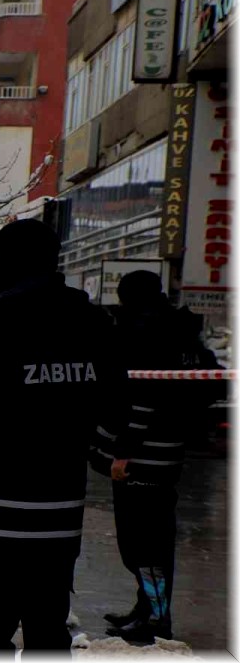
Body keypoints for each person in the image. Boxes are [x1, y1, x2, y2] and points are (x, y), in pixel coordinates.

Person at [0, 219, 127, 656]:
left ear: (2, 262)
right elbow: (113, 413)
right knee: (49, 639)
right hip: (58, 529)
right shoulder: (95, 325)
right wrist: (99, 452)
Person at [90, 270, 221, 644]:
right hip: (169, 451)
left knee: (143, 543)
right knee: (149, 540)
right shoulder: (180, 330)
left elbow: (141, 398)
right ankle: (147, 608)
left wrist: (122, 452)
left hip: (141, 456)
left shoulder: (143, 331)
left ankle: (156, 619)